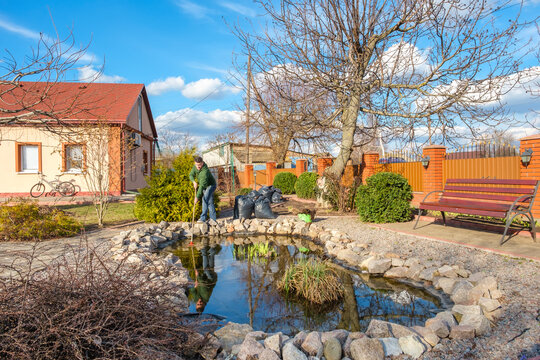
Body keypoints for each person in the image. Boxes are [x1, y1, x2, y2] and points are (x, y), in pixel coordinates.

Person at [189, 240, 218, 313]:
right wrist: (197, 275)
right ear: (204, 305)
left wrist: (194, 287)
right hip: (211, 280)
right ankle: (205, 251)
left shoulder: (196, 299)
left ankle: (210, 250)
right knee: (206, 269)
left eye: (198, 304)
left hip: (206, 279)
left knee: (210, 267)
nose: (199, 302)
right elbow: (203, 284)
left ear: (196, 304)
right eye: (201, 304)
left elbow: (192, 291)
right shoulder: (206, 297)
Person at [189, 156, 217, 223]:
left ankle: (202, 218)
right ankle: (213, 219)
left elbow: (201, 186)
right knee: (209, 202)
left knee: (204, 199)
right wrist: (194, 181)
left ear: (202, 163)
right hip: (204, 186)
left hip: (211, 185)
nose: (198, 167)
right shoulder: (195, 167)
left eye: (199, 165)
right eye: (196, 165)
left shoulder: (205, 171)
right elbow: (191, 175)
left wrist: (197, 197)